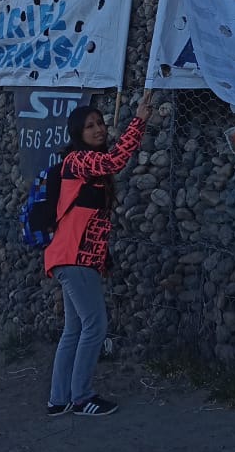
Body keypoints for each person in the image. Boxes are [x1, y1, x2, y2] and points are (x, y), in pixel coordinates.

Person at [44, 90, 154, 417]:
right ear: (78, 134)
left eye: (101, 123)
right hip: (76, 257)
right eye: (90, 126)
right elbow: (114, 160)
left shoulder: (85, 166)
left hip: (72, 257)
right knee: (95, 326)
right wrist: (140, 121)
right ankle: (81, 397)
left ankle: (58, 399)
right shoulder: (78, 161)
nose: (99, 129)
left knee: (75, 329)